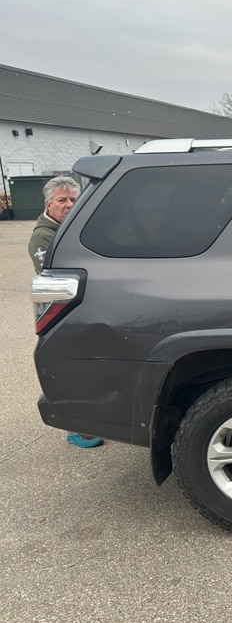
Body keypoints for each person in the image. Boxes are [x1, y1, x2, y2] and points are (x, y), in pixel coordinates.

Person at [28, 176, 104, 448]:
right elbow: (54, 274)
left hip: (83, 306)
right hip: (63, 313)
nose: (69, 204)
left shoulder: (69, 229)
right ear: (49, 204)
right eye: (62, 200)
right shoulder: (43, 236)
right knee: (73, 372)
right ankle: (75, 430)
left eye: (73, 199)